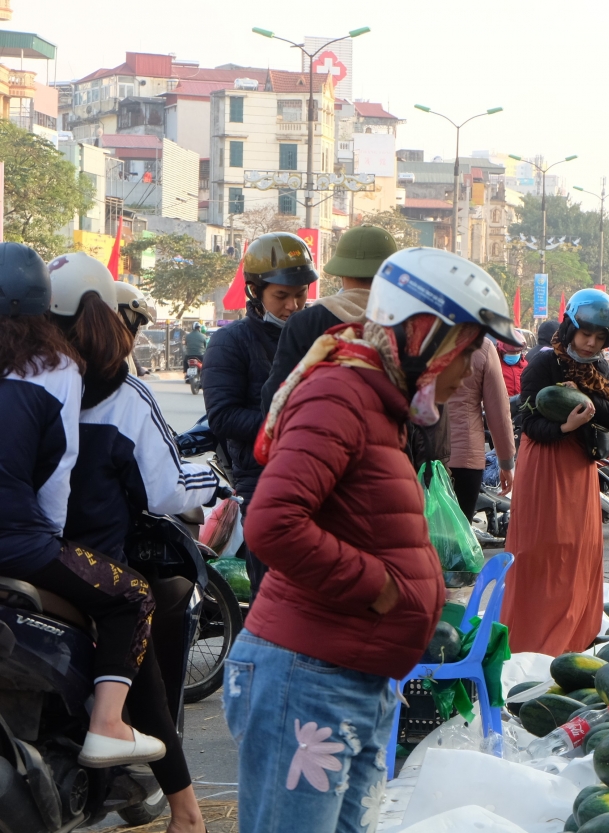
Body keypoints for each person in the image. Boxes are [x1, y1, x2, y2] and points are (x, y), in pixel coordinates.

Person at [228, 248, 517, 833]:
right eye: (465, 352)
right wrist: (380, 588)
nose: (465, 373)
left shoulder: (379, 404)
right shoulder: (340, 395)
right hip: (306, 679)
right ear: (423, 334)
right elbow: (273, 521)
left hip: (350, 676)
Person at [51, 251, 220, 833]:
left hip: (27, 549)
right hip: (76, 559)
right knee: (135, 622)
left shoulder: (28, 379)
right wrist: (216, 481)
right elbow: (168, 489)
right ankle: (187, 813)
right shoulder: (123, 393)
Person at [0, 246, 164, 771]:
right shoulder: (56, 366)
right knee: (133, 595)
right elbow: (57, 471)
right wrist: (50, 539)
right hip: (20, 544)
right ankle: (108, 725)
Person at [502, 289, 609, 654]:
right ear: (571, 327)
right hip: (544, 462)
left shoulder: (600, 366)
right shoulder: (544, 364)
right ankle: (534, 638)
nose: (590, 344)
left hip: (580, 468)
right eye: (585, 334)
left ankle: (575, 632)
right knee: (543, 548)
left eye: (599, 338)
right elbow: (528, 422)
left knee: (579, 548)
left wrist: (586, 400)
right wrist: (565, 427)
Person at [203, 232, 315, 594]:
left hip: (316, 479)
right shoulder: (230, 342)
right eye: (281, 296)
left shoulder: (317, 335)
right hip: (262, 483)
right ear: (255, 291)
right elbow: (223, 417)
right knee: (274, 593)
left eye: (300, 295)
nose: (293, 306)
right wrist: (291, 426)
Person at [259, 225, 398, 413]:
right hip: (390, 439)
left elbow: (275, 398)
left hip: (321, 435)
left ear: (341, 273)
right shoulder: (408, 321)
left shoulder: (306, 323)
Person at [447, 337, 517, 526]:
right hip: (464, 460)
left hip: (418, 458)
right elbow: (499, 411)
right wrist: (506, 461)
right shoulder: (481, 346)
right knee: (459, 538)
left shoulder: (415, 339)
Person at [496, 330, 527, 396]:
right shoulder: (494, 366)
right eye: (511, 353)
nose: (515, 354)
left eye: (518, 352)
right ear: (502, 351)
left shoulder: (525, 366)